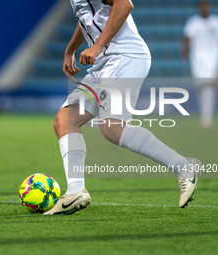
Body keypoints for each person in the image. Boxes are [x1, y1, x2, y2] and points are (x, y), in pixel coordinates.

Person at [44, 0, 202, 215]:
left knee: (112, 128)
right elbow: (87, 17)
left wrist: (97, 45)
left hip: (124, 57)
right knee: (65, 121)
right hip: (103, 64)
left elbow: (124, 4)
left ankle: (183, 166)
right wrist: (70, 50)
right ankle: (76, 190)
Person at [181, 0, 218, 129]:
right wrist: (184, 51)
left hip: (212, 59)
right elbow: (188, 38)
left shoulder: (215, 22)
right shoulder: (193, 22)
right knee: (200, 87)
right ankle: (205, 114)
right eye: (201, 5)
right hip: (197, 60)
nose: (203, 7)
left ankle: (206, 119)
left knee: (208, 86)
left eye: (205, 5)